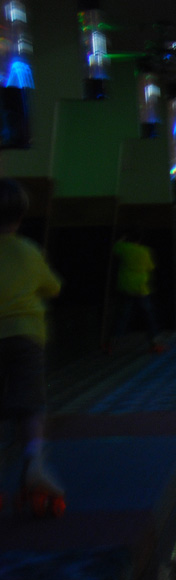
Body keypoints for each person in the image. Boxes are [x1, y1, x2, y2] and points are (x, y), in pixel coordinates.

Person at [0, 178, 64, 511]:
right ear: (22, 217)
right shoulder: (29, 251)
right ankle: (35, 465)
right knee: (31, 405)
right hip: (26, 336)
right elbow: (53, 288)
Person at [106, 230, 165, 354]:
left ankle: (112, 343)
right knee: (149, 315)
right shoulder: (145, 251)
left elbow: (115, 248)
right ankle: (155, 343)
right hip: (141, 288)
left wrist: (121, 239)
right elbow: (151, 267)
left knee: (123, 316)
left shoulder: (124, 248)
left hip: (126, 286)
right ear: (140, 240)